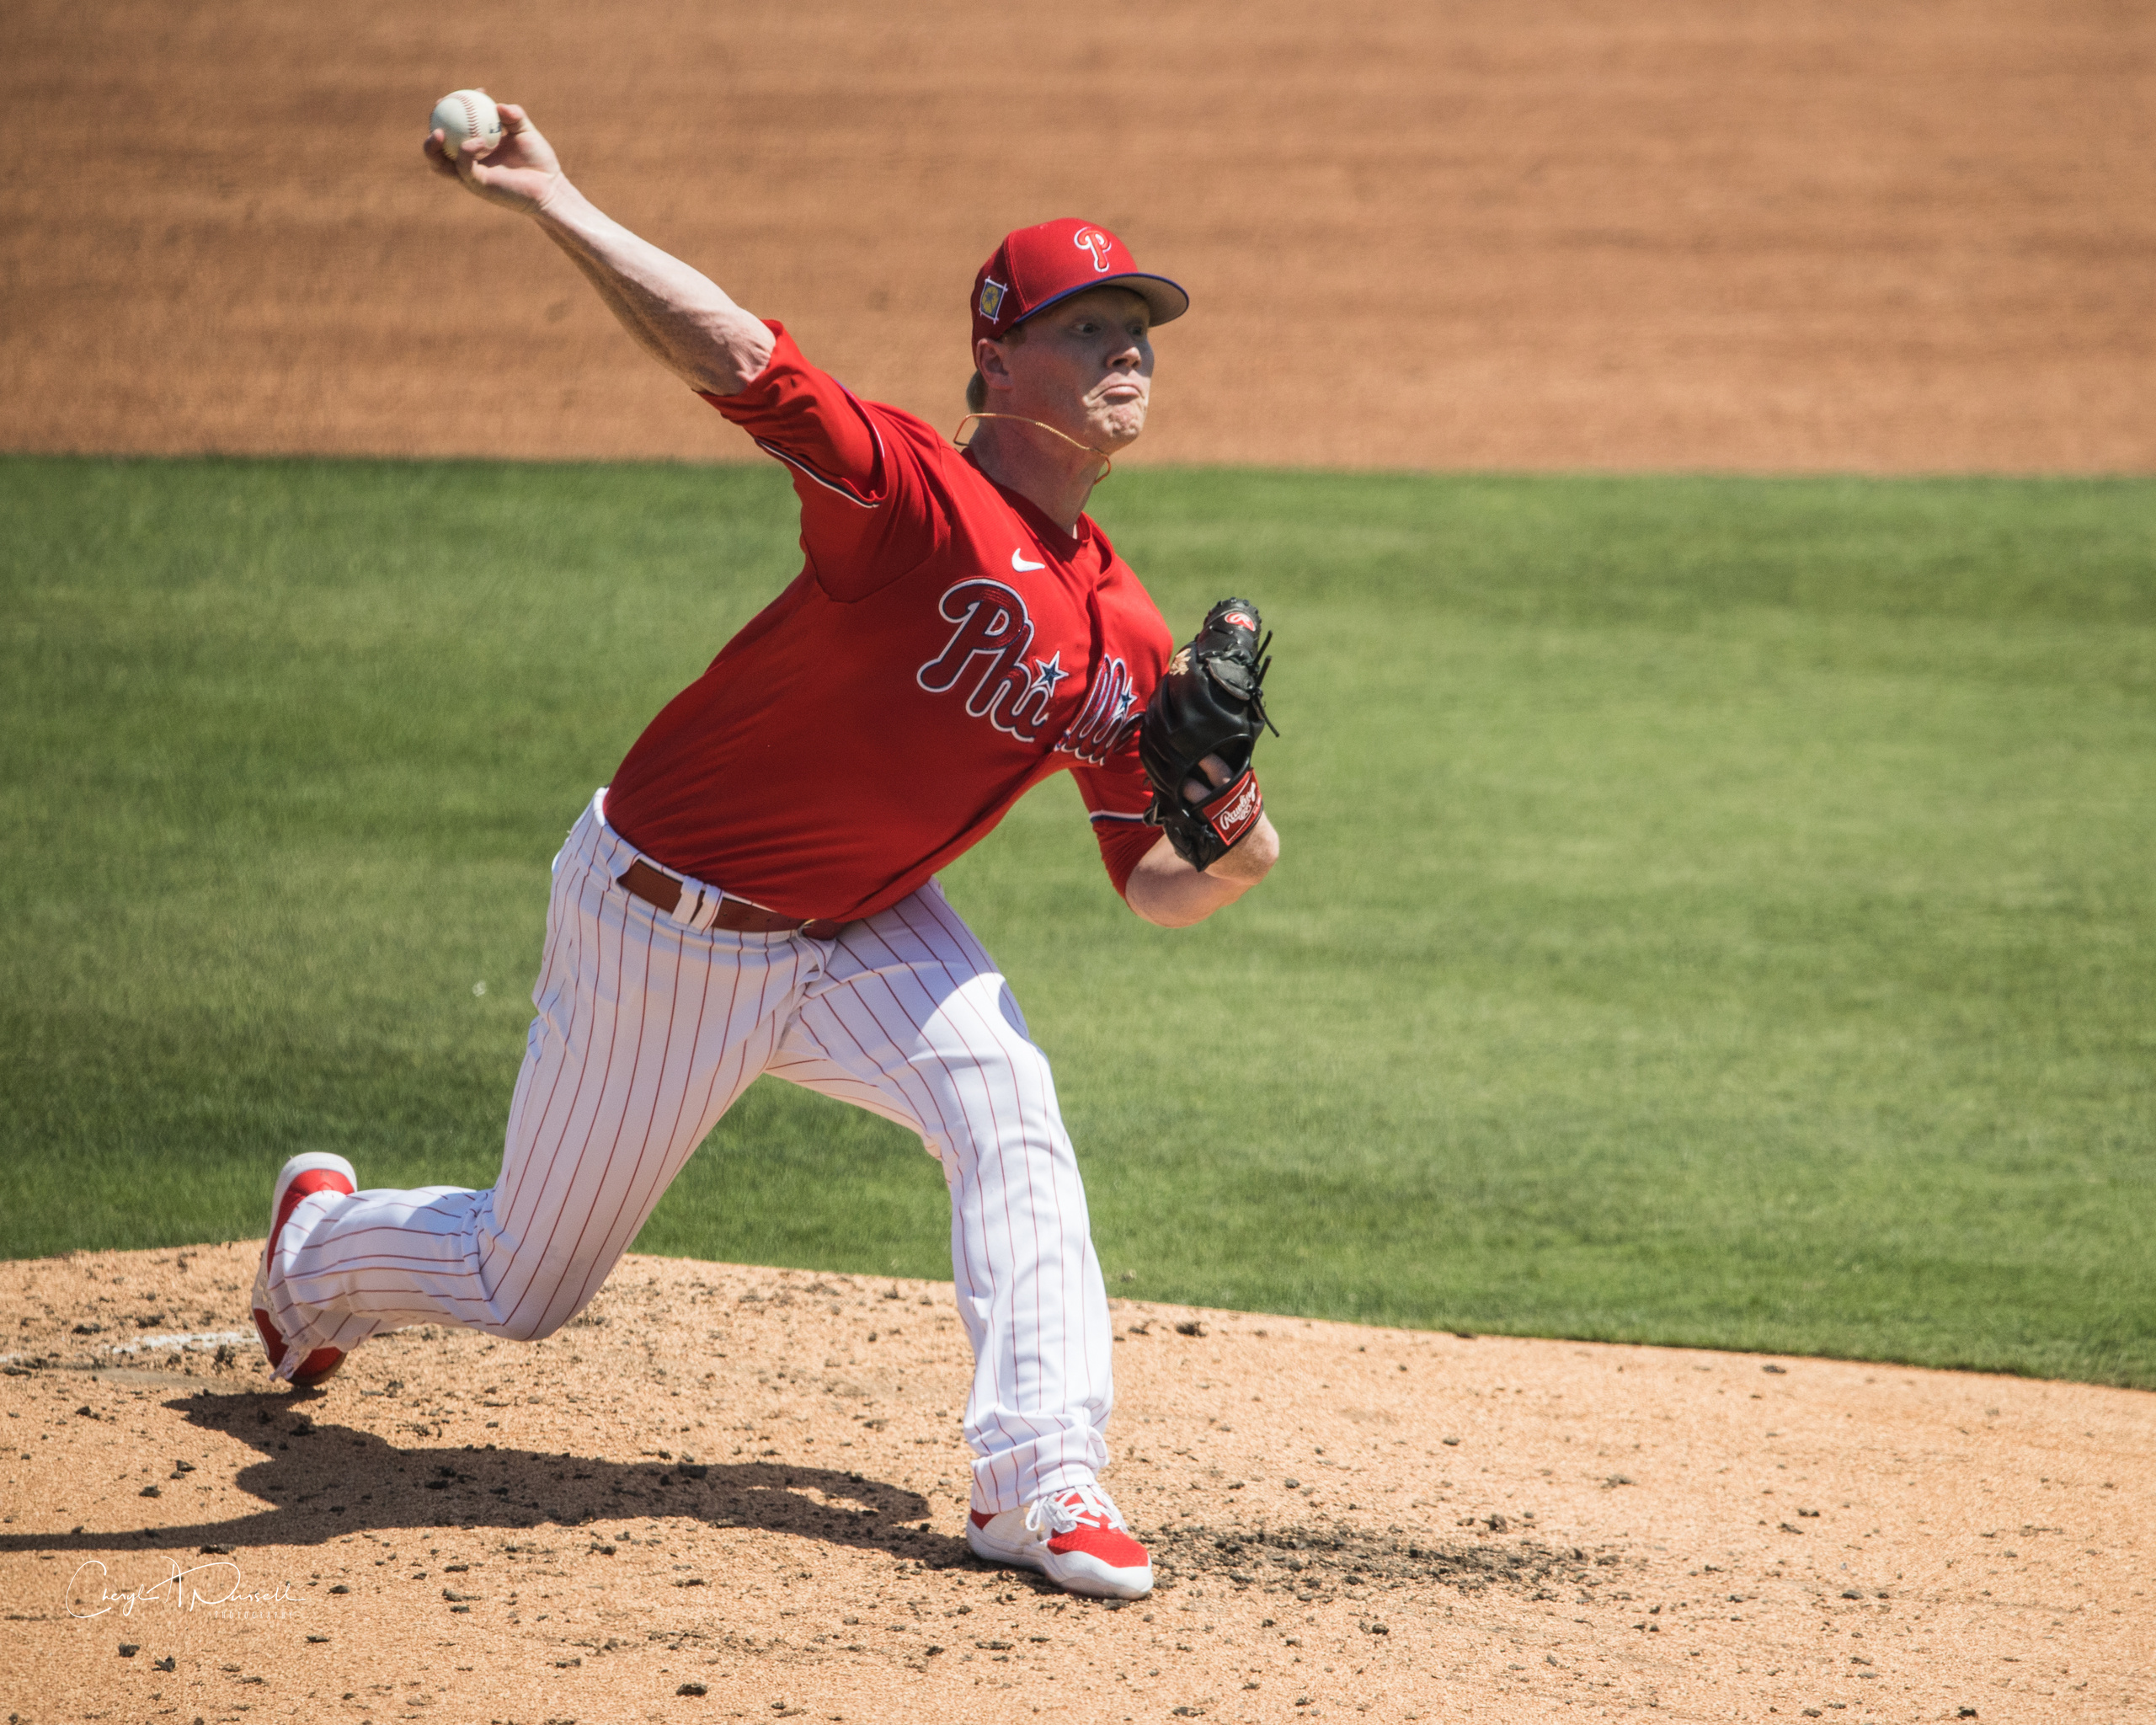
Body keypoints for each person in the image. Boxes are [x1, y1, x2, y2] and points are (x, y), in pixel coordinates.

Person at [247, 100, 1280, 1603]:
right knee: (518, 1283)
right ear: (996, 361)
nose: (1129, 347)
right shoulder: (919, 500)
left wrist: (1240, 821)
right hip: (667, 918)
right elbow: (745, 360)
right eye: (1090, 322)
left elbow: (1164, 889)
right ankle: (319, 1251)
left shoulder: (1125, 628)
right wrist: (556, 199)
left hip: (860, 923)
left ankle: (1038, 1481)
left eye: (1141, 323)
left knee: (1008, 1107)